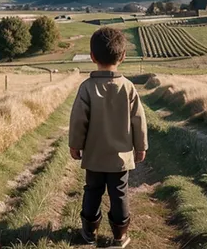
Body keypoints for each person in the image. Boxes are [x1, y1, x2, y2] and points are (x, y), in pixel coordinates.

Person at [69, 27, 148, 248]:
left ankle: (89, 233)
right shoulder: (129, 88)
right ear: (123, 56)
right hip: (120, 159)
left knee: (92, 191)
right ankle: (119, 236)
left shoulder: (86, 88)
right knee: (119, 194)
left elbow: (78, 121)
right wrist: (141, 146)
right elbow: (139, 120)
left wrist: (75, 145)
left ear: (92, 57)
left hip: (94, 157)